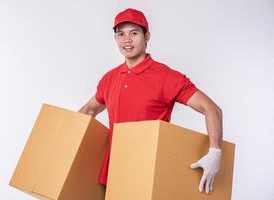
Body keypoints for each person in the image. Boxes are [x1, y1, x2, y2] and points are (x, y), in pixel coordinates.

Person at [78, 8, 223, 194]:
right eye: (120, 34)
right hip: (115, 173)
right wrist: (67, 141)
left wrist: (215, 152)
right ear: (115, 39)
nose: (127, 40)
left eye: (134, 33)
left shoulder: (167, 77)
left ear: (147, 36)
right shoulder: (109, 78)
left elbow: (211, 109)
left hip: (150, 173)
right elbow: (89, 110)